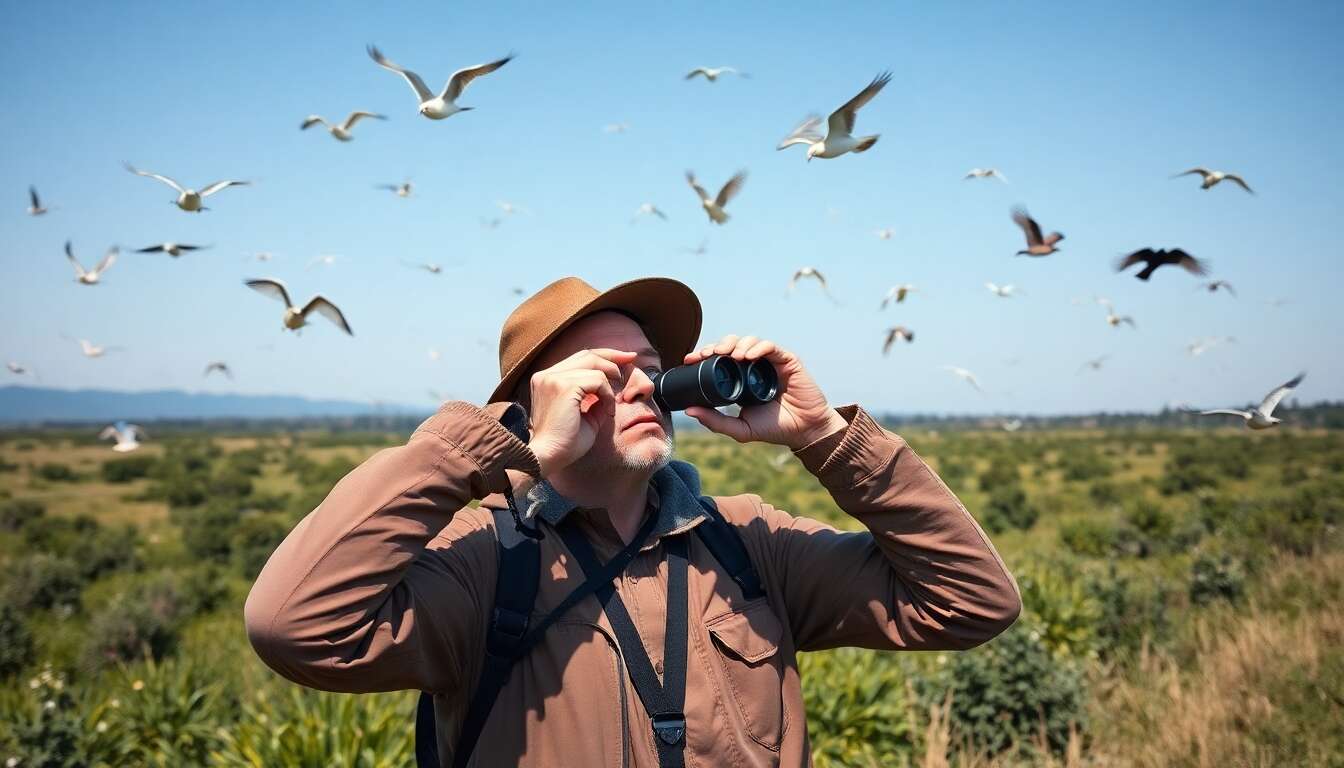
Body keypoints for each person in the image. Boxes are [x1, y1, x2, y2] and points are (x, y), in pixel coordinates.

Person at [244, 275, 1021, 767]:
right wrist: (486, 448)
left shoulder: (746, 543)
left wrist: (826, 439)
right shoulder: (484, 562)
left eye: (653, 368)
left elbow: (972, 602)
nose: (647, 386)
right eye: (605, 375)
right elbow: (294, 626)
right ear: (536, 402)